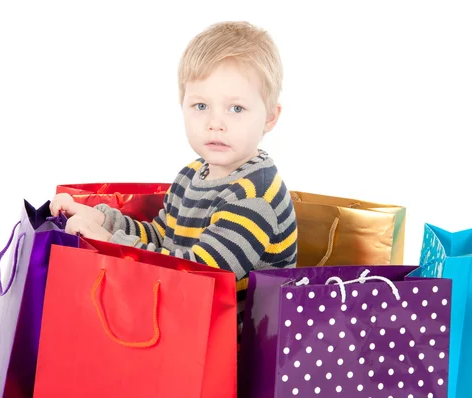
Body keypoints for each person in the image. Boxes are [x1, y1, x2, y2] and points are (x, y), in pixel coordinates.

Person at [50, 20, 297, 341]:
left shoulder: (254, 198)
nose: (215, 123)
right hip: (187, 329)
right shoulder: (191, 176)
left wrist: (109, 244)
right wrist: (101, 220)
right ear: (182, 106)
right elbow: (162, 238)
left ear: (270, 117)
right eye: (201, 105)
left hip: (239, 352)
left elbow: (197, 275)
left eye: (236, 108)